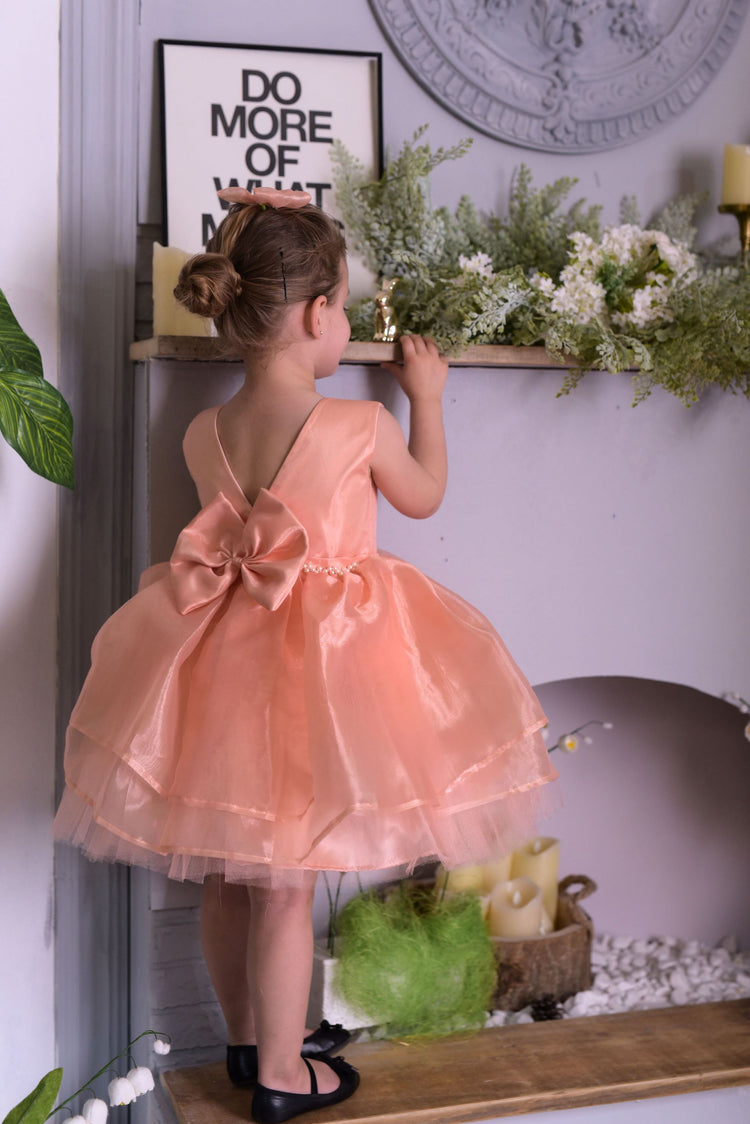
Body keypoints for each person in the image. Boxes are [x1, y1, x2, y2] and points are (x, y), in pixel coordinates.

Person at [54, 186, 558, 1123]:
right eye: (346, 311)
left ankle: (251, 1041)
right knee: (289, 886)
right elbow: (425, 496)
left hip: (216, 666)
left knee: (226, 873)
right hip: (326, 674)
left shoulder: (204, 431)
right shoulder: (357, 426)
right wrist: (429, 399)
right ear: (320, 314)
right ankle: (285, 1078)